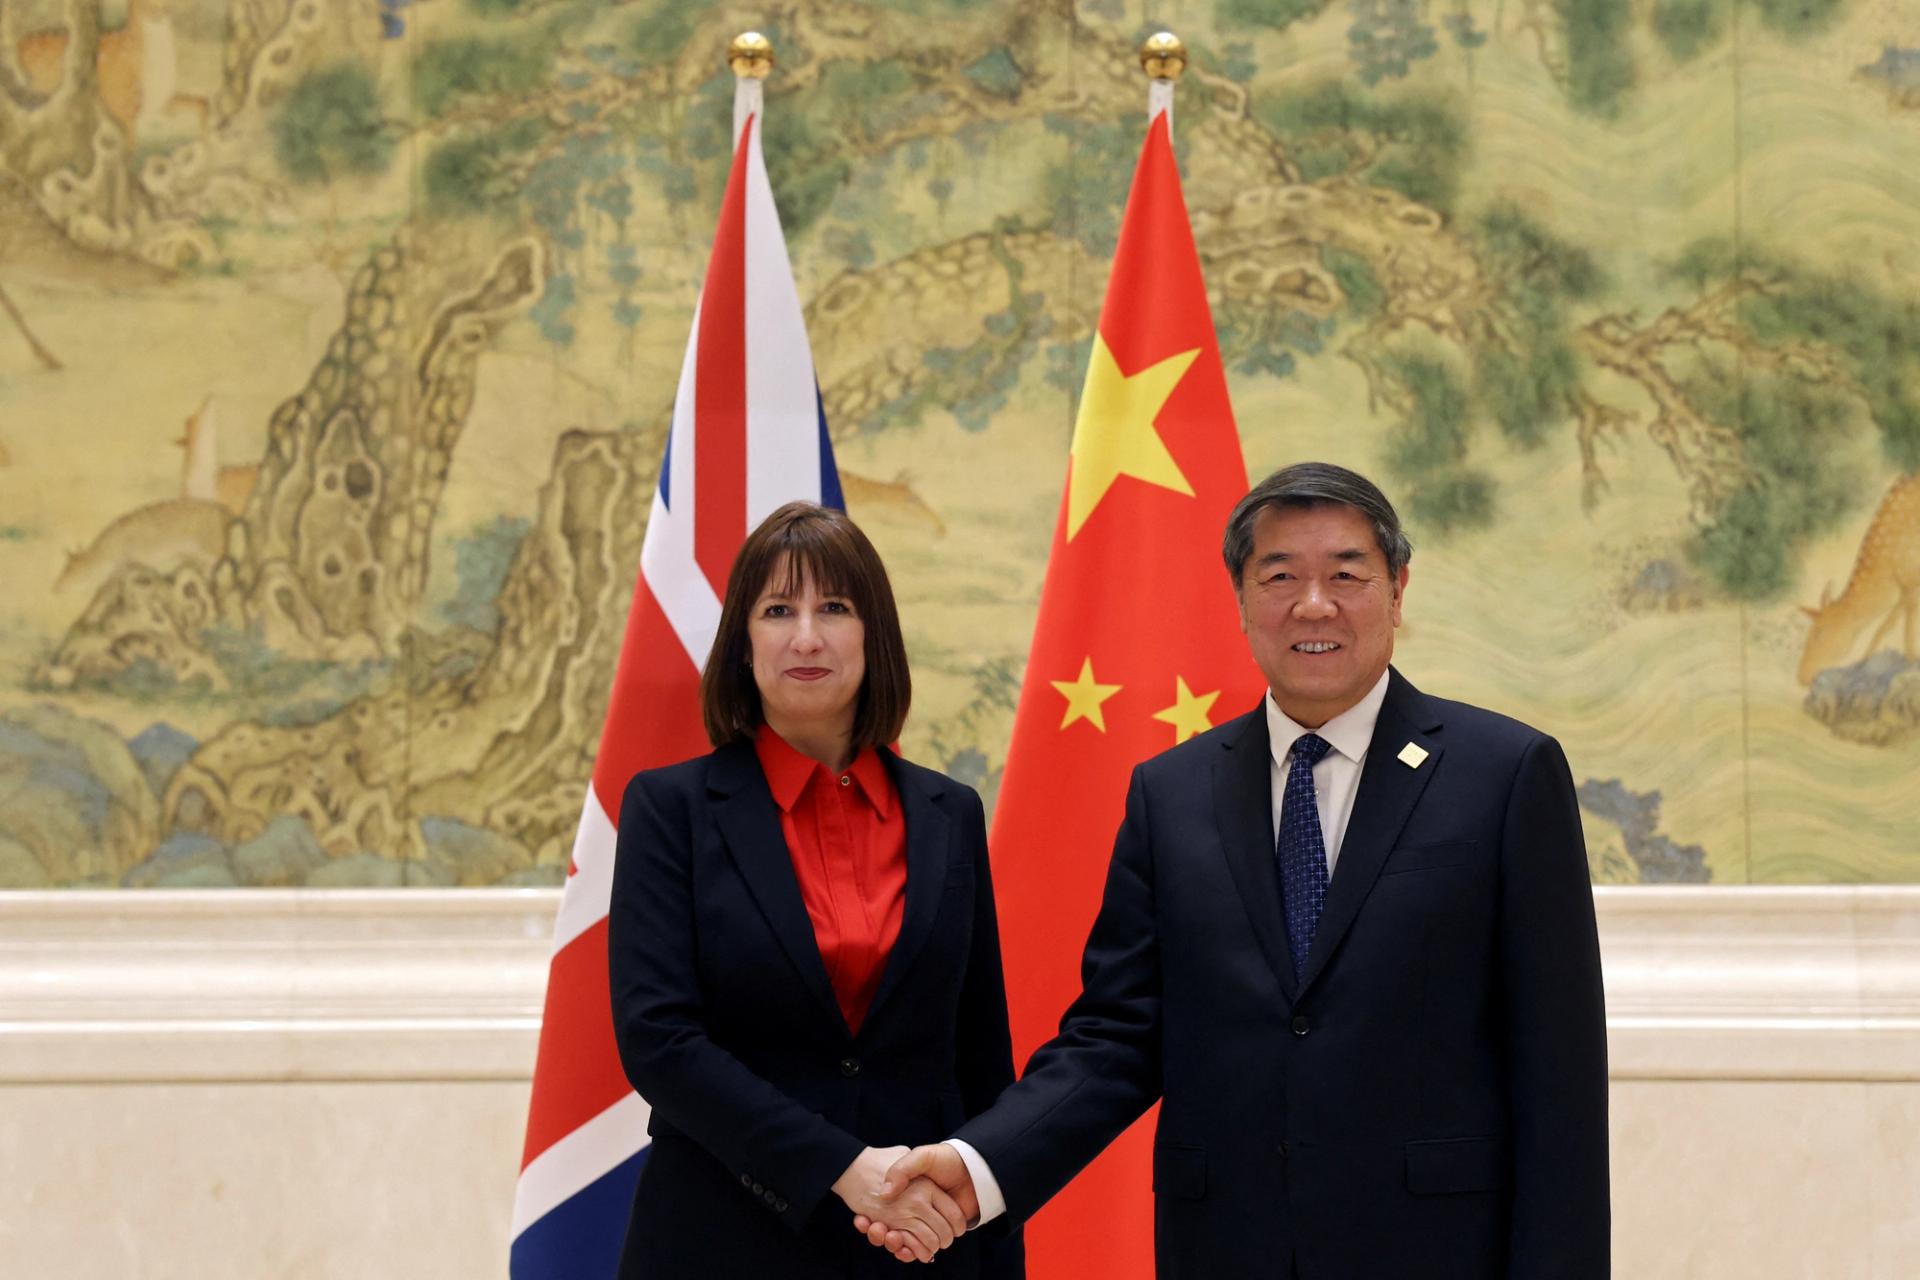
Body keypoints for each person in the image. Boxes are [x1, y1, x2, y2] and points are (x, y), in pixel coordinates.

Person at [862, 463, 1610, 1277]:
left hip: (1434, 1250)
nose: (1313, 605)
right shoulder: (1173, 793)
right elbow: (1116, 1039)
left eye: (1346, 575)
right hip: (1226, 1247)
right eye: (1280, 576)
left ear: (1397, 591)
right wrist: (978, 1170)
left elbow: (1557, 1078)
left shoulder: (1504, 774)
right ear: (1243, 602)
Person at [608, 501, 1024, 1278]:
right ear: (743, 643)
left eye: (834, 607)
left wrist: (993, 1243)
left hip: (919, 1246)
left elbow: (980, 1063)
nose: (806, 635)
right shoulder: (671, 809)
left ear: (875, 637)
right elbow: (659, 1042)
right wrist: (845, 1168)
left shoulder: (949, 815)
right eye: (777, 610)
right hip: (722, 1237)